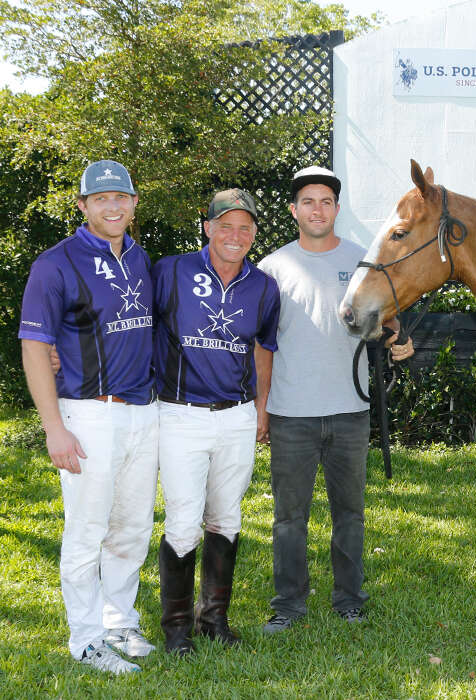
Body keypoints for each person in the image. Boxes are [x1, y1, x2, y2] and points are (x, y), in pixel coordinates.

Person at [256, 166, 413, 633]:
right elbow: (262, 347)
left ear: (336, 209)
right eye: (308, 201)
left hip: (349, 410)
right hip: (290, 414)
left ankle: (349, 599)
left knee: (350, 513)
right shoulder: (272, 267)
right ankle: (288, 606)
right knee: (289, 519)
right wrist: (261, 409)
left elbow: (382, 322)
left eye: (326, 201)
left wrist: (395, 339)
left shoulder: (362, 261)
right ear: (294, 210)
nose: (317, 209)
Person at [19, 160, 158, 674]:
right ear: (82, 206)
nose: (113, 206)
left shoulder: (140, 259)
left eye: (121, 197)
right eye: (101, 199)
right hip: (87, 414)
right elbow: (35, 347)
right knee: (87, 529)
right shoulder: (55, 263)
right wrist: (54, 426)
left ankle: (120, 617)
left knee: (133, 526)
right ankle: (86, 639)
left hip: (143, 412)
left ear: (134, 202)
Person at [152, 188, 280, 654]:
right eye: (225, 225)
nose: (235, 235)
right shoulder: (171, 270)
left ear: (253, 235)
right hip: (181, 413)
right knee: (184, 521)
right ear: (207, 227)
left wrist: (262, 408)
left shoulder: (263, 286)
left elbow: (264, 349)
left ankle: (214, 620)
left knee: (226, 517)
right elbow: (127, 321)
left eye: (245, 228)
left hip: (238, 417)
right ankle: (177, 630)